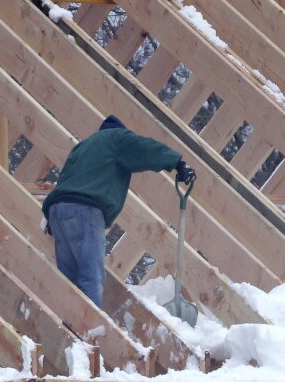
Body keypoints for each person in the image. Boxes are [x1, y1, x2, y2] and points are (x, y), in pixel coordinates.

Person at [42, 115, 195, 307]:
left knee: (69, 283)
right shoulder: (117, 139)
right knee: (91, 278)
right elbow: (144, 149)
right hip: (86, 210)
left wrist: (51, 217)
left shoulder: (82, 147)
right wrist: (177, 162)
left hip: (58, 212)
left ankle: (70, 331)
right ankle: (88, 334)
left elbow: (65, 179)